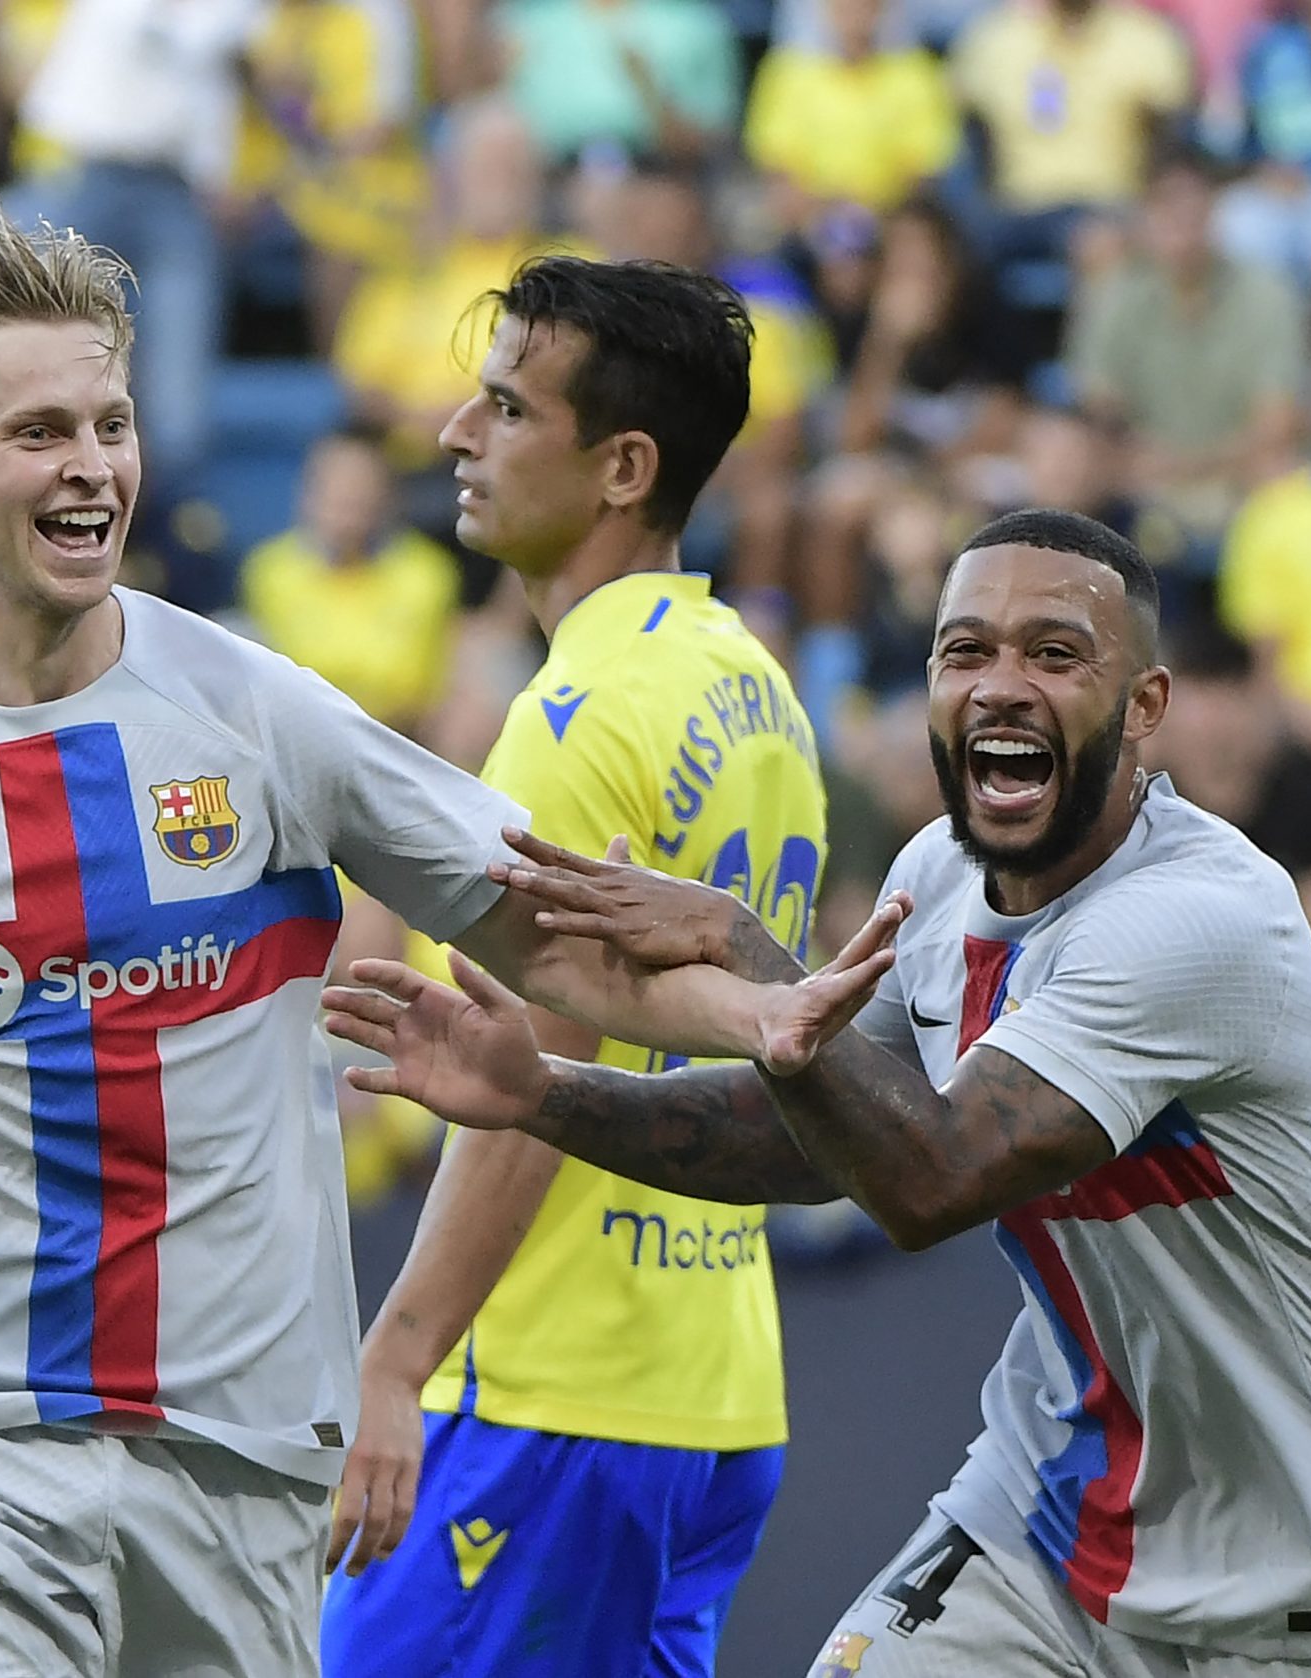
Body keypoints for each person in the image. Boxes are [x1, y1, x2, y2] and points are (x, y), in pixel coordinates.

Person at [0, 202, 884, 1678]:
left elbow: (561, 945)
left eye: (110, 424)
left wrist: (780, 1018)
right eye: (42, 430)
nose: (92, 468)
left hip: (246, 1461)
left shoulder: (256, 710)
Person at [324, 507, 1311, 1676]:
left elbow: (934, 1175)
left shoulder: (1199, 922)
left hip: (1302, 1579)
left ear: (1145, 709)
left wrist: (746, 951)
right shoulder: (937, 878)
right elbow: (811, 1129)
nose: (1000, 685)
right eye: (964, 650)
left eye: (1054, 653)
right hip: (1049, 1527)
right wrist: (545, 1093)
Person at [318, 257, 829, 1676]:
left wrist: (398, 1357)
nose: (454, 438)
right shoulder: (754, 683)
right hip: (717, 1394)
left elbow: (543, 1077)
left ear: (623, 466)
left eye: (504, 408)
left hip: (552, 1396)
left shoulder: (574, 714)